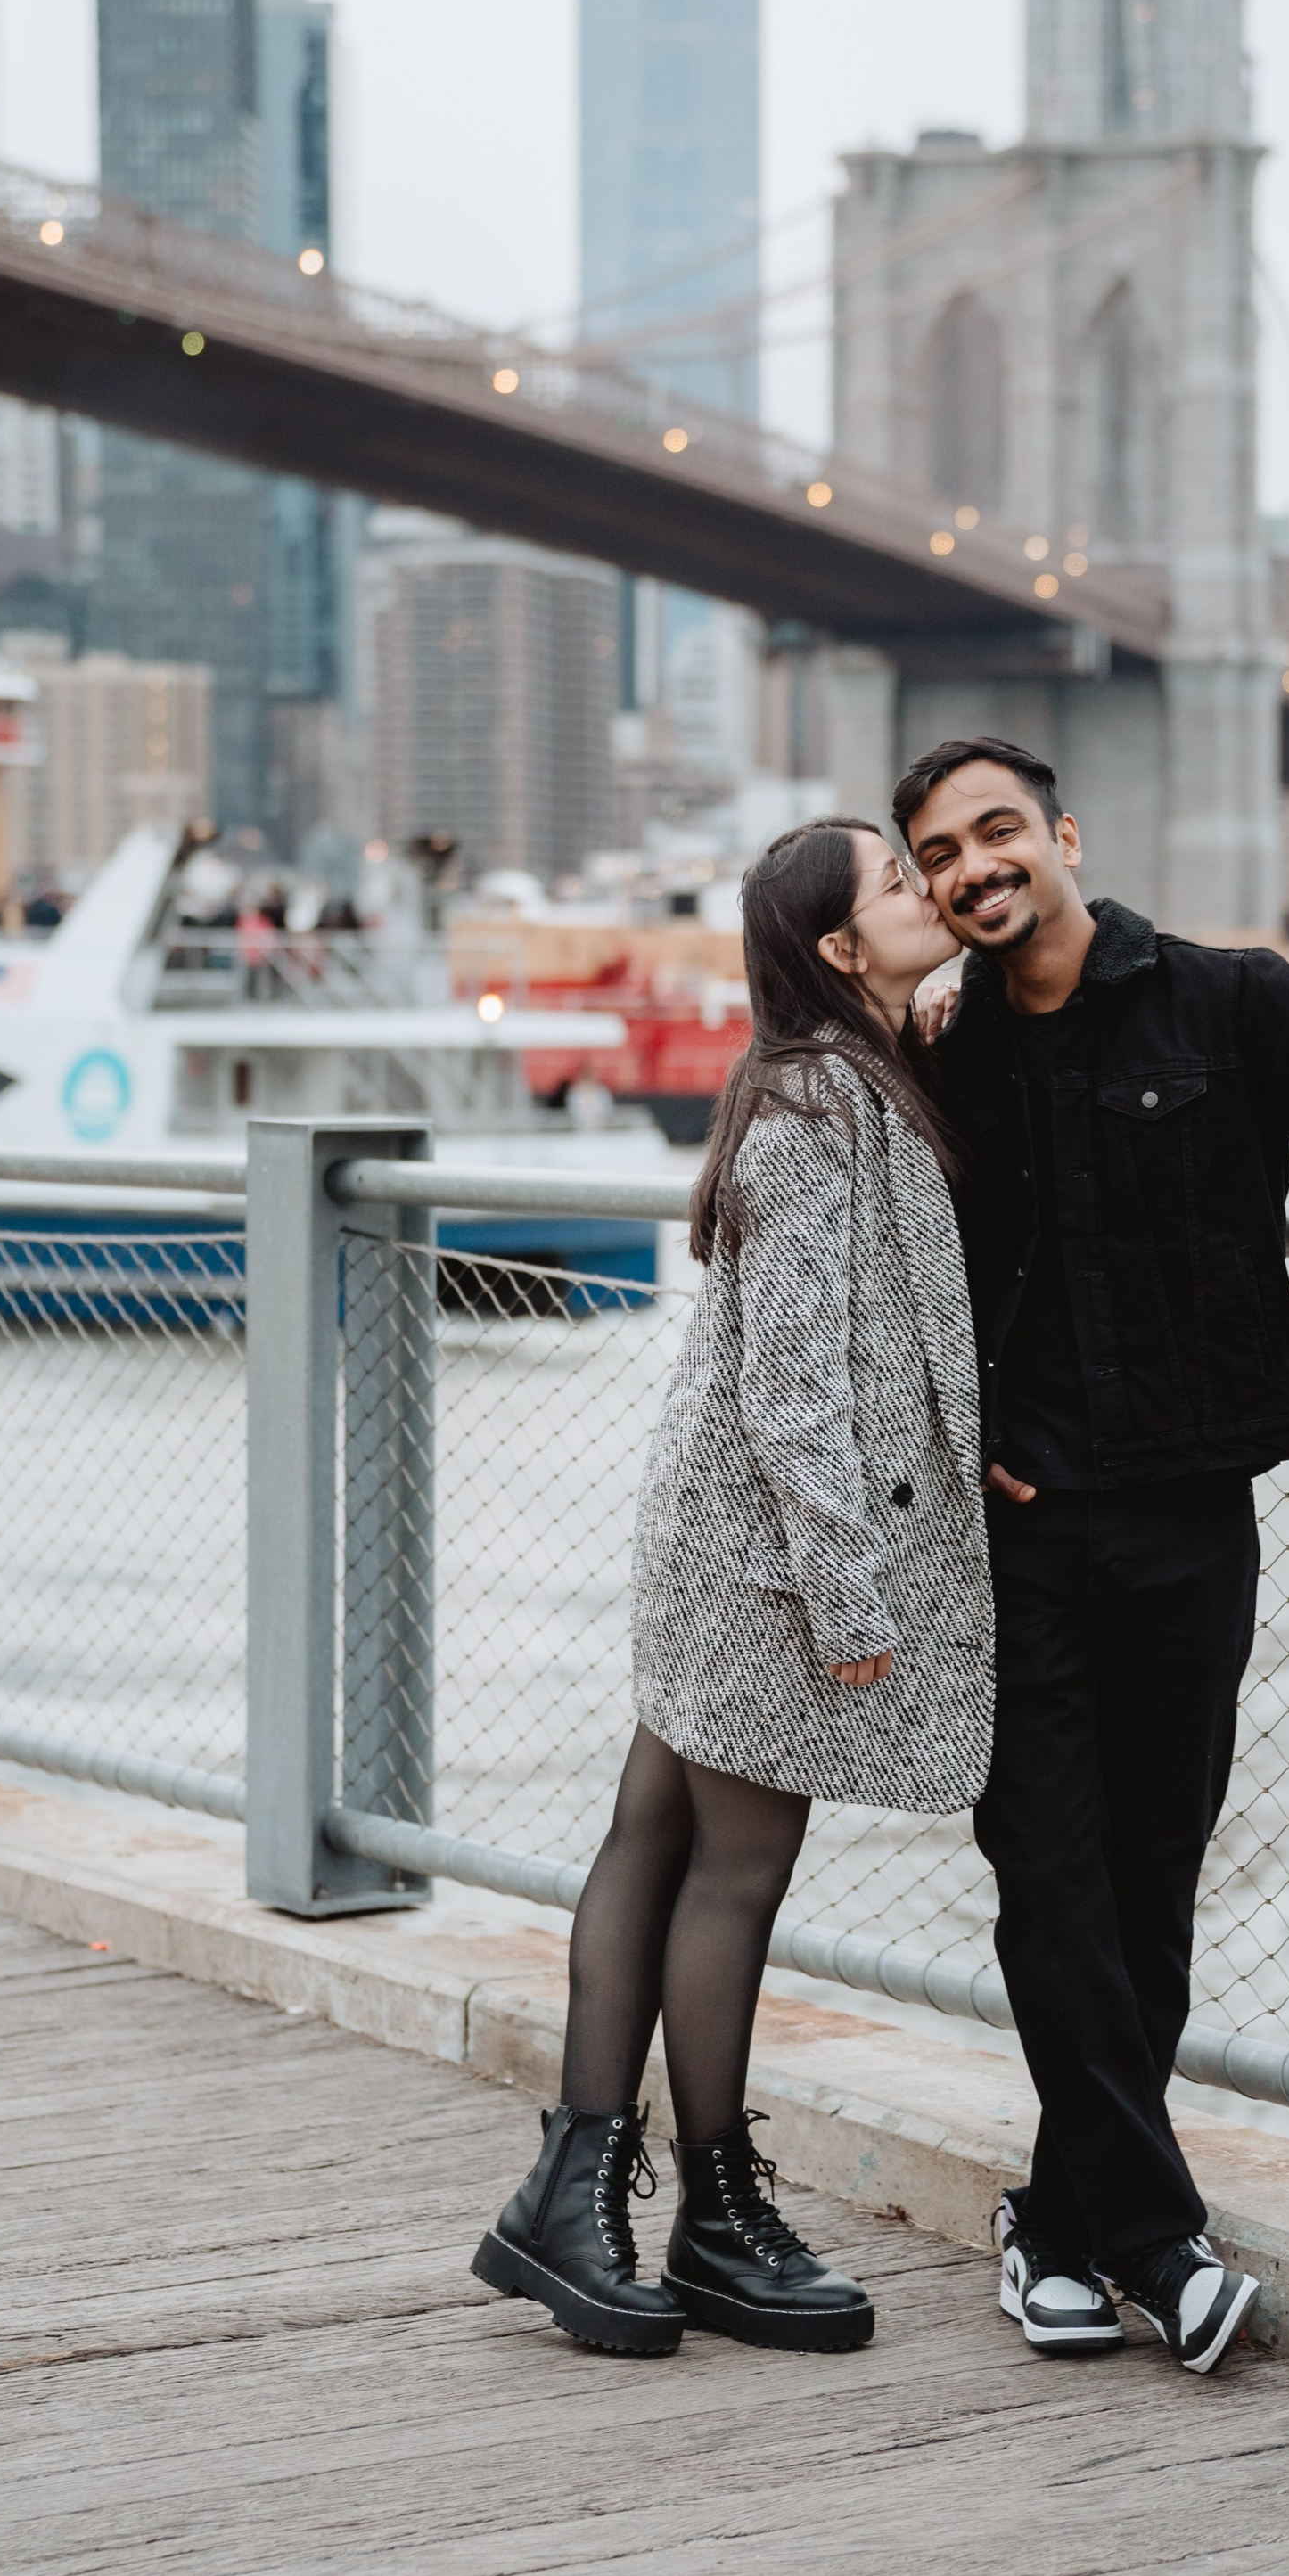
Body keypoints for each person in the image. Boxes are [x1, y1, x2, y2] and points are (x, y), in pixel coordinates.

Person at [894, 736, 1289, 2376]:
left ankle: (1053, 2218)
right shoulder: (945, 1059)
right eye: (941, 854)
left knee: (1152, 1882)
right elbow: (886, 1303)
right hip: (1017, 1536)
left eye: (997, 832)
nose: (973, 869)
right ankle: (1161, 2243)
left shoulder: (1232, 1004)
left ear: (1063, 835)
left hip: (1190, 1518)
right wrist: (955, 1449)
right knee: (1046, 1873)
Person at [472, 820, 992, 2360]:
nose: (928, 889)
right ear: (840, 949)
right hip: (768, 1552)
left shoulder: (841, 1072)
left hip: (718, 1532)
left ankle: (570, 2200)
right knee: (734, 1873)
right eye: (899, 882)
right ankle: (712, 2210)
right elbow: (793, 1391)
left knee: (653, 1834)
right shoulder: (813, 1115)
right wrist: (848, 1599)